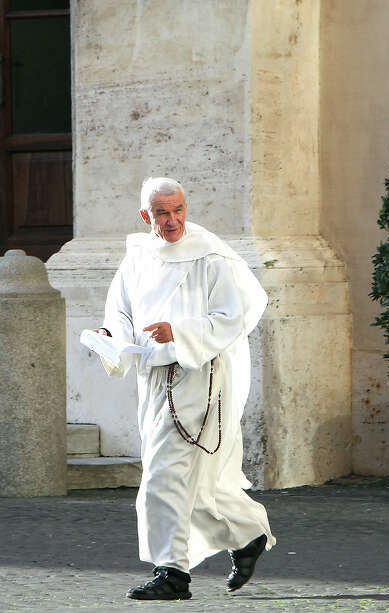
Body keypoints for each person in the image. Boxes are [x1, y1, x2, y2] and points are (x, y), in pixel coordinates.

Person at [92, 177, 275, 599]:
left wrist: (180, 331)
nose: (172, 220)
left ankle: (172, 573)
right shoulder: (138, 256)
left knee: (163, 473)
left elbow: (234, 316)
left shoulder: (210, 256)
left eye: (178, 210)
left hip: (198, 374)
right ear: (145, 215)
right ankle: (247, 534)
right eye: (161, 213)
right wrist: (109, 333)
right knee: (187, 477)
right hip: (153, 376)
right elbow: (120, 311)